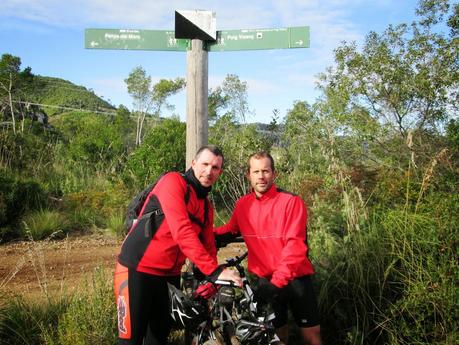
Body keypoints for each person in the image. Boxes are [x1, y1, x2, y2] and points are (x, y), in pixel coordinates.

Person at [114, 145, 242, 345]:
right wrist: (215, 271)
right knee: (131, 341)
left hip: (169, 277)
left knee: (158, 338)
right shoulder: (173, 182)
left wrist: (211, 280)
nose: (209, 171)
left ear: (220, 172)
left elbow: (208, 245)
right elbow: (182, 230)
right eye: (205, 164)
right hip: (136, 270)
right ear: (193, 163)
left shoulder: (207, 207)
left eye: (215, 167)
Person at [214, 151, 322, 345]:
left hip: (296, 279)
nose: (261, 176)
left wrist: (277, 282)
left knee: (311, 336)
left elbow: (295, 247)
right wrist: (205, 236)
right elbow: (230, 230)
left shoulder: (291, 202)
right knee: (276, 336)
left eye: (265, 171)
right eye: (256, 171)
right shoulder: (243, 205)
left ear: (274, 174)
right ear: (248, 175)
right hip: (266, 281)